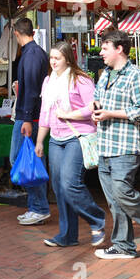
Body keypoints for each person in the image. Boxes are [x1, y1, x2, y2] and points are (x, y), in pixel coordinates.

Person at [91, 29, 140, 260]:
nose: (101, 51)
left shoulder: (135, 76)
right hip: (104, 145)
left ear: (119, 49)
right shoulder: (105, 75)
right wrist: (95, 109)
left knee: (122, 190)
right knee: (114, 199)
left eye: (105, 47)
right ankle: (124, 245)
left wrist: (109, 113)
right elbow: (97, 98)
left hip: (126, 145)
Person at [35, 42, 105, 246]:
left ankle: (96, 219)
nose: (53, 61)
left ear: (67, 58)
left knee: (69, 182)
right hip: (56, 140)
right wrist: (40, 141)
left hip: (78, 137)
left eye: (57, 58)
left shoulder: (81, 80)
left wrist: (68, 115)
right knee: (58, 187)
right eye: (51, 58)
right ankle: (67, 235)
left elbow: (94, 106)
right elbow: (45, 113)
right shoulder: (48, 81)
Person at [11, 18, 52, 226]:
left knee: (22, 160)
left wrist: (27, 118)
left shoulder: (31, 54)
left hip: (30, 118)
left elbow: (33, 90)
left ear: (16, 33)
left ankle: (39, 207)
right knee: (32, 161)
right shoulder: (34, 53)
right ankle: (36, 206)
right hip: (32, 116)